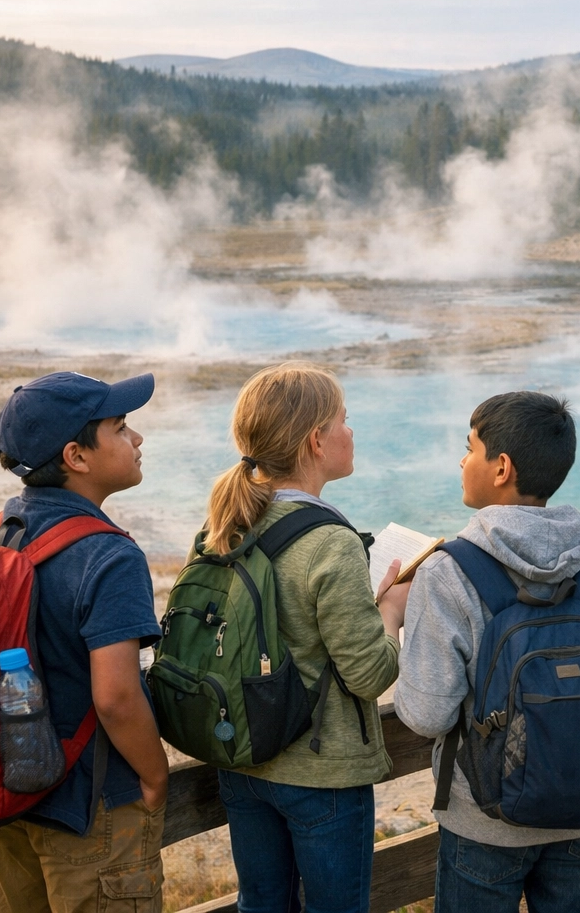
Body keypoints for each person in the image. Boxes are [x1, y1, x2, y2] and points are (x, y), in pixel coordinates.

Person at [394, 391, 580, 913]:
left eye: (470, 448)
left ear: (501, 467)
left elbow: (427, 716)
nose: (462, 461)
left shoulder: (447, 571)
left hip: (484, 822)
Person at [202, 362, 408, 913]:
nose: (351, 431)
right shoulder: (330, 541)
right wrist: (390, 609)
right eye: (345, 420)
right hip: (321, 772)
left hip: (242, 759)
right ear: (317, 440)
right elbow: (369, 674)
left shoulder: (225, 524)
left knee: (261, 906)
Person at [0, 370, 169, 913]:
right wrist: (155, 775)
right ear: (77, 456)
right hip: (92, 809)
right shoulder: (109, 557)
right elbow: (115, 696)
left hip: (14, 797)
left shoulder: (0, 530)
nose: (137, 439)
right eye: (120, 427)